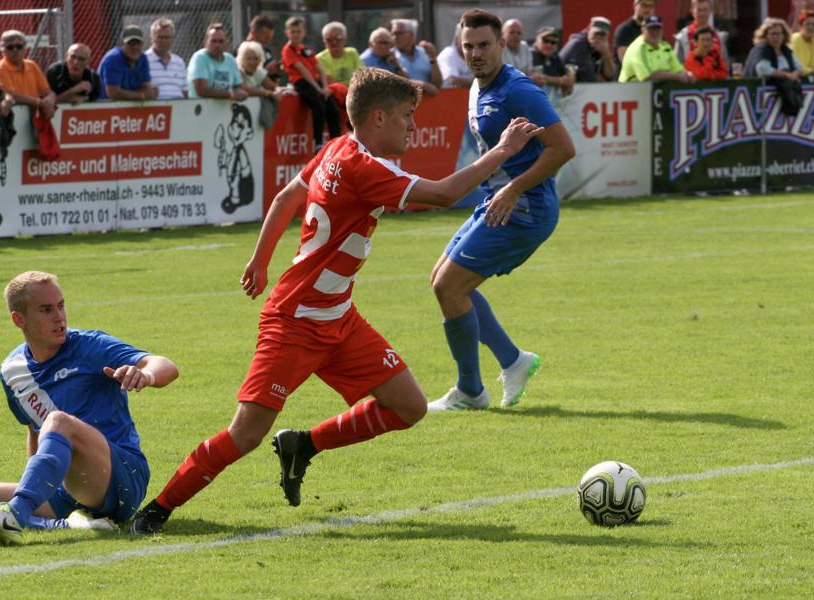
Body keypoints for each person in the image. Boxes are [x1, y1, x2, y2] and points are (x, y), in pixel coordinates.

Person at [127, 67, 543, 534]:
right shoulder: (365, 167)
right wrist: (505, 151)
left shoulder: (338, 148)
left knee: (409, 406)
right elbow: (446, 193)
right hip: (295, 322)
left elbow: (287, 196)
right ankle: (157, 507)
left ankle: (303, 445)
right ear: (379, 117)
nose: (413, 126)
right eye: (408, 115)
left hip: (339, 318)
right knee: (245, 433)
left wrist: (260, 261)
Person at [0, 271, 180, 546]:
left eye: (61, 306)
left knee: (58, 421)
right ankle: (64, 524)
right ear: (18, 319)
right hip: (66, 490)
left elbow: (165, 365)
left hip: (120, 479)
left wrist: (146, 375)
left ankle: (14, 515)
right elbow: (34, 431)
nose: (59, 317)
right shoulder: (12, 371)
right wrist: (35, 487)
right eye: (46, 310)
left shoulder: (89, 345)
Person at [427, 9, 575, 412]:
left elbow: (563, 148)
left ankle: (470, 392)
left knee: (449, 287)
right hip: (500, 201)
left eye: (484, 45)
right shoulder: (478, 87)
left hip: (526, 208)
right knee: (442, 279)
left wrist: (513, 188)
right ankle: (513, 361)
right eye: (469, 46)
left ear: (502, 46)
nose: (476, 53)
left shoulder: (518, 91)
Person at [282, 16, 340, 153]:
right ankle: (318, 142)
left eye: (298, 31)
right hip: (302, 82)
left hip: (316, 82)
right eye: (293, 31)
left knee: (333, 109)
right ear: (287, 33)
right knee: (318, 106)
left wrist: (325, 88)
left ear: (303, 32)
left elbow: (319, 68)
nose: (296, 34)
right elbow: (302, 70)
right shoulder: (287, 50)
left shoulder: (306, 49)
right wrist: (318, 88)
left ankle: (336, 142)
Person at [0, 30, 57, 119]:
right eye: (10, 47)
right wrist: (40, 103)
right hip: (12, 118)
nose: (15, 50)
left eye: (19, 46)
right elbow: (11, 96)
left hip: (34, 118)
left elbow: (48, 92)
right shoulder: (0, 69)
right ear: (3, 50)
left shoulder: (32, 65)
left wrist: (50, 101)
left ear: (24, 47)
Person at [618, 16, 694, 83]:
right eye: (651, 29)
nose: (655, 33)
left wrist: (687, 75)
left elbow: (678, 70)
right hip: (628, 93)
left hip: (653, 93)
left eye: (657, 29)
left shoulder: (665, 47)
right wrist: (677, 76)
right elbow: (647, 77)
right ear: (643, 30)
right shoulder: (638, 48)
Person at [188, 23, 246, 101]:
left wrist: (240, 93)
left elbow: (239, 86)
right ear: (205, 42)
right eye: (213, 41)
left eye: (221, 41)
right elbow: (202, 91)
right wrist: (231, 94)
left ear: (227, 43)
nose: (217, 45)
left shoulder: (230, 59)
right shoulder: (200, 57)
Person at [98, 25, 156, 101]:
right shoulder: (113, 58)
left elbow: (147, 87)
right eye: (131, 43)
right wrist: (141, 95)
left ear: (142, 44)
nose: (135, 47)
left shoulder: (143, 58)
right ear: (122, 44)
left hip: (130, 108)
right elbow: (113, 93)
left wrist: (147, 93)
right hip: (106, 108)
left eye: (138, 43)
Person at [391, 18, 442, 97]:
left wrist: (433, 58)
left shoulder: (425, 53)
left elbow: (438, 84)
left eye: (399, 33)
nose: (395, 37)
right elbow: (397, 82)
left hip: (428, 105)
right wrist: (423, 85)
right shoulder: (390, 55)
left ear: (411, 35)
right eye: (393, 34)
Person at [560, 17, 618, 82]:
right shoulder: (578, 44)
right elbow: (588, 77)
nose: (598, 37)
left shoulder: (600, 48)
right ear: (589, 29)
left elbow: (611, 76)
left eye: (602, 34)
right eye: (596, 33)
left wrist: (606, 54)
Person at [673, 0, 731, 65]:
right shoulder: (683, 37)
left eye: (705, 10)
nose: (702, 13)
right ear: (692, 11)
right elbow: (676, 67)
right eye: (699, 10)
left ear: (710, 11)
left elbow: (726, 66)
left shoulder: (719, 36)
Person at [146, 18, 188, 99]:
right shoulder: (143, 61)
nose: (164, 41)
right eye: (160, 37)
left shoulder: (179, 62)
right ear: (152, 38)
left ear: (172, 39)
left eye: (167, 37)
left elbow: (185, 91)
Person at [531, 26, 575, 98]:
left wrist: (571, 76)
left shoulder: (554, 57)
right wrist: (561, 81)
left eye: (553, 42)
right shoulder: (531, 54)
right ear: (536, 41)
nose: (549, 45)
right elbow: (539, 77)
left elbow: (566, 74)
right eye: (545, 40)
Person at [317, 21, 362, 86]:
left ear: (345, 39)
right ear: (323, 40)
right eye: (329, 39)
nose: (334, 42)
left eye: (338, 38)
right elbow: (332, 85)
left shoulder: (352, 52)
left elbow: (361, 76)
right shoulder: (319, 58)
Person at [244, 14, 283, 85]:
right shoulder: (239, 53)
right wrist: (265, 71)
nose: (267, 42)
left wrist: (277, 73)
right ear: (254, 33)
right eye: (266, 38)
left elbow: (273, 85)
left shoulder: (266, 52)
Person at [790, 10, 814, 74]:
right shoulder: (796, 38)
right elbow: (800, 67)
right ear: (800, 26)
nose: (810, 27)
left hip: (813, 75)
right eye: (807, 24)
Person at [438, 24, 474, 88]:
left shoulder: (477, 53)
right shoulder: (447, 55)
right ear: (456, 39)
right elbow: (451, 80)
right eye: (465, 39)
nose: (469, 43)